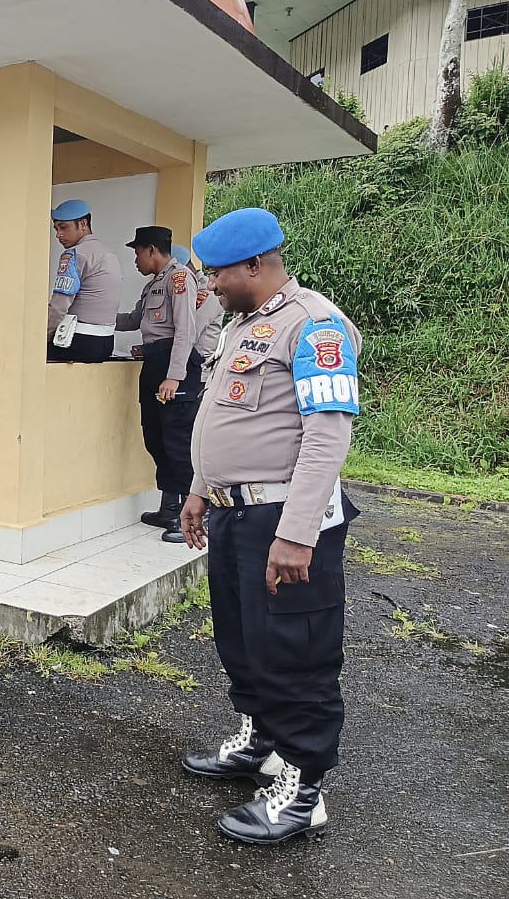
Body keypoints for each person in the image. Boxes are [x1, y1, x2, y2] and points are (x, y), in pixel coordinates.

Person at [179, 207, 362, 846]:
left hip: (280, 517)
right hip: (234, 513)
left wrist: (298, 531)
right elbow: (222, 421)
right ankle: (261, 740)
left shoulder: (314, 326)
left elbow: (327, 435)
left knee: (295, 649)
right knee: (243, 639)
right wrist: (199, 490)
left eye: (219, 273)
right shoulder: (240, 328)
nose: (212, 285)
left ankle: (303, 789)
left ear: (255, 265)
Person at [115, 226, 202, 543]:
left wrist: (174, 375)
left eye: (138, 252)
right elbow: (134, 320)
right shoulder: (153, 285)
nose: (136, 259)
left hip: (173, 364)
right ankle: (168, 508)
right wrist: (97, 316)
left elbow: (185, 330)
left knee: (178, 442)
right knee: (155, 438)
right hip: (154, 361)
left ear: (152, 250)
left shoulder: (180, 279)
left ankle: (188, 518)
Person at [46, 199, 122, 363]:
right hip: (106, 342)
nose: (58, 234)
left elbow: (59, 305)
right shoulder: (109, 253)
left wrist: (42, 337)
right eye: (56, 228)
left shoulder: (75, 254)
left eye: (64, 227)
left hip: (78, 342)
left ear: (83, 224)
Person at [172, 244, 225, 363]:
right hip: (186, 363)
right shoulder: (187, 288)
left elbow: (191, 331)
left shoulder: (207, 291)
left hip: (201, 366)